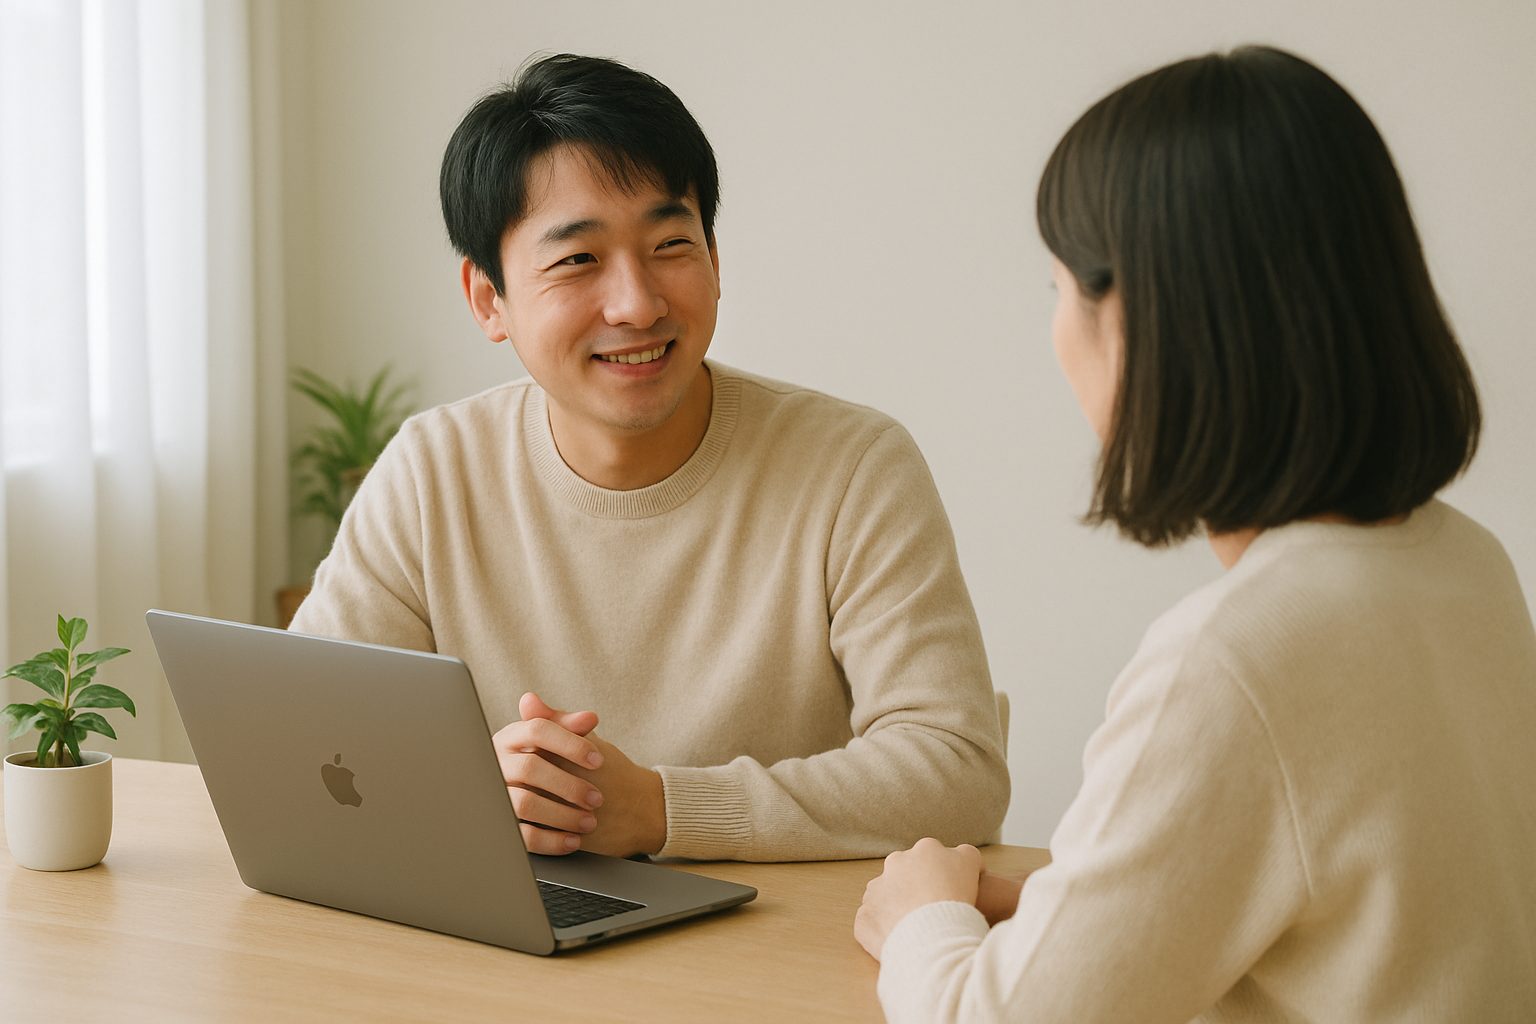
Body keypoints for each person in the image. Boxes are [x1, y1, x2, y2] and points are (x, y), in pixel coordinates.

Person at [855, 45, 1536, 1021]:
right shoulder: (1469, 564)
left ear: (1135, 320)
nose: (1054, 331)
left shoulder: (1235, 657)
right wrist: (1070, 910)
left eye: (1058, 288)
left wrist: (922, 914)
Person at [289, 53, 1009, 862]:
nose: (637, 304)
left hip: (778, 952)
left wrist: (665, 810)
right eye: (578, 260)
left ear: (714, 257)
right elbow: (306, 744)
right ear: (489, 298)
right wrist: (464, 788)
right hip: (514, 946)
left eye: (671, 243)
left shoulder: (853, 469)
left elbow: (959, 771)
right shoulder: (432, 471)